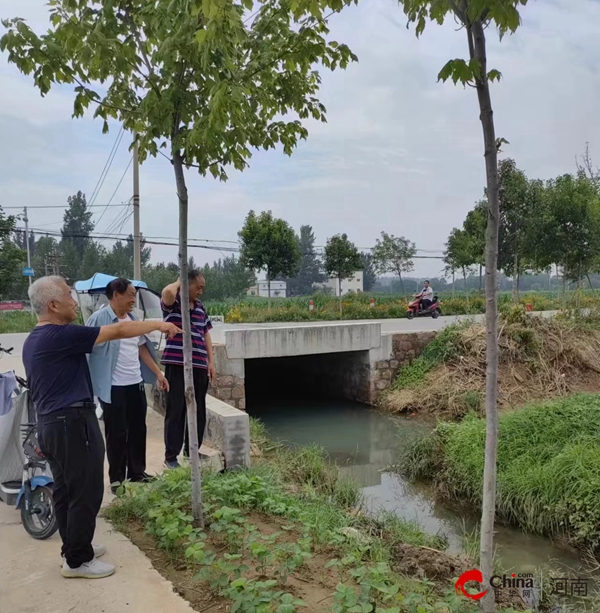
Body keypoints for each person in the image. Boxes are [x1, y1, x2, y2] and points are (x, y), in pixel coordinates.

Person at [22, 276, 180, 580]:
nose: (74, 300)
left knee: (67, 491)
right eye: (69, 295)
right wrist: (159, 325)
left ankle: (73, 548)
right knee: (87, 490)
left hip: (51, 424)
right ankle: (78, 561)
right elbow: (119, 330)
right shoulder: (59, 335)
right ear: (53, 305)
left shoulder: (35, 339)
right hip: (71, 422)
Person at [86, 278, 170, 494]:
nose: (134, 299)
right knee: (116, 433)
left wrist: (158, 373)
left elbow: (142, 348)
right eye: (131, 295)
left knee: (138, 429)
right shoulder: (99, 319)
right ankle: (117, 480)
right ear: (116, 295)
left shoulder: (133, 319)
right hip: (113, 387)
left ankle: (137, 473)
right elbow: (86, 351)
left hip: (135, 384)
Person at [161, 270, 216, 469]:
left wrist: (211, 362)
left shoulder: (201, 307)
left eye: (203, 288)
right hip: (177, 365)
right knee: (176, 409)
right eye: (198, 287)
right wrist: (179, 281)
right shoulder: (173, 305)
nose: (201, 291)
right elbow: (167, 291)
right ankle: (171, 456)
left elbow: (206, 334)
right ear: (186, 285)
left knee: (198, 410)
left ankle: (192, 449)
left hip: (199, 366)